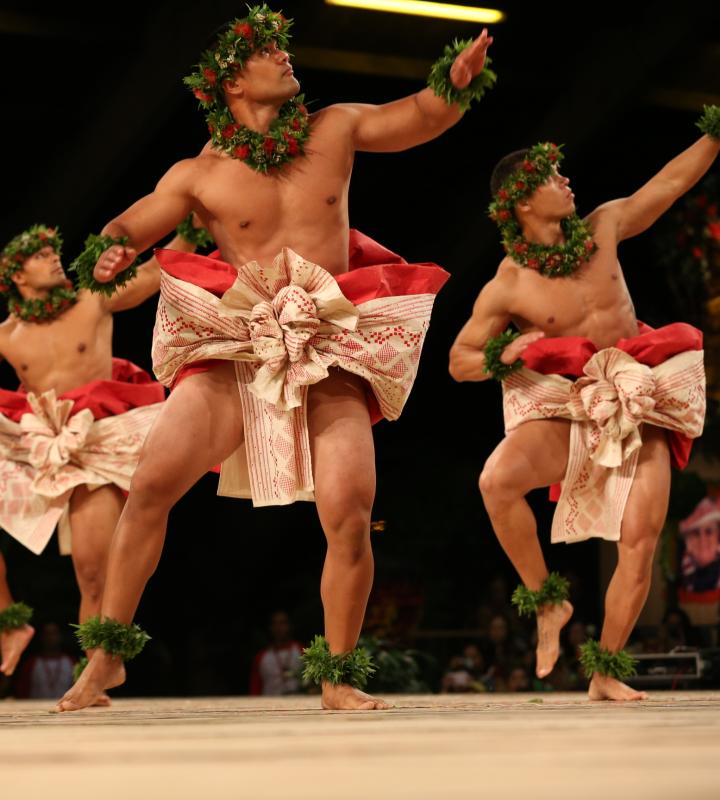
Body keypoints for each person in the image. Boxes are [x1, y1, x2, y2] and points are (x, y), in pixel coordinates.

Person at [56, 5, 493, 712]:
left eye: (285, 50)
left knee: (351, 508)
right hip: (239, 345)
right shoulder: (200, 175)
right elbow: (135, 221)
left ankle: (337, 676)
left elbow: (417, 116)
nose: (287, 58)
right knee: (151, 485)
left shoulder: (335, 128)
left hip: (328, 344)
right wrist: (111, 244)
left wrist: (455, 83)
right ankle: (105, 658)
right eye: (268, 52)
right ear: (230, 81)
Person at [448, 106, 719, 700]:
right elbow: (459, 360)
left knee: (642, 538)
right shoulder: (509, 283)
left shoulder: (605, 226)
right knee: (496, 482)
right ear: (521, 202)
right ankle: (548, 604)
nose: (567, 181)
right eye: (551, 176)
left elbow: (670, 183)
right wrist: (504, 356)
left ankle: (606, 670)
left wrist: (715, 134)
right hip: (567, 408)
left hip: (635, 399)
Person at [0, 221, 200, 678]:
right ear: (17, 277)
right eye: (40, 256)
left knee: (93, 568)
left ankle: (99, 665)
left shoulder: (92, 300)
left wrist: (192, 229)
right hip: (41, 447)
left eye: (52, 252)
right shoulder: (2, 336)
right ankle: (9, 625)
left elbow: (154, 274)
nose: (54, 258)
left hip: (98, 446)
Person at [249, 610, 304, 695]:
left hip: (299, 703)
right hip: (268, 705)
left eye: (282, 623)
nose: (279, 627)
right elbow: (255, 689)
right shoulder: (261, 657)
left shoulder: (302, 650)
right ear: (270, 627)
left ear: (290, 626)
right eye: (275, 623)